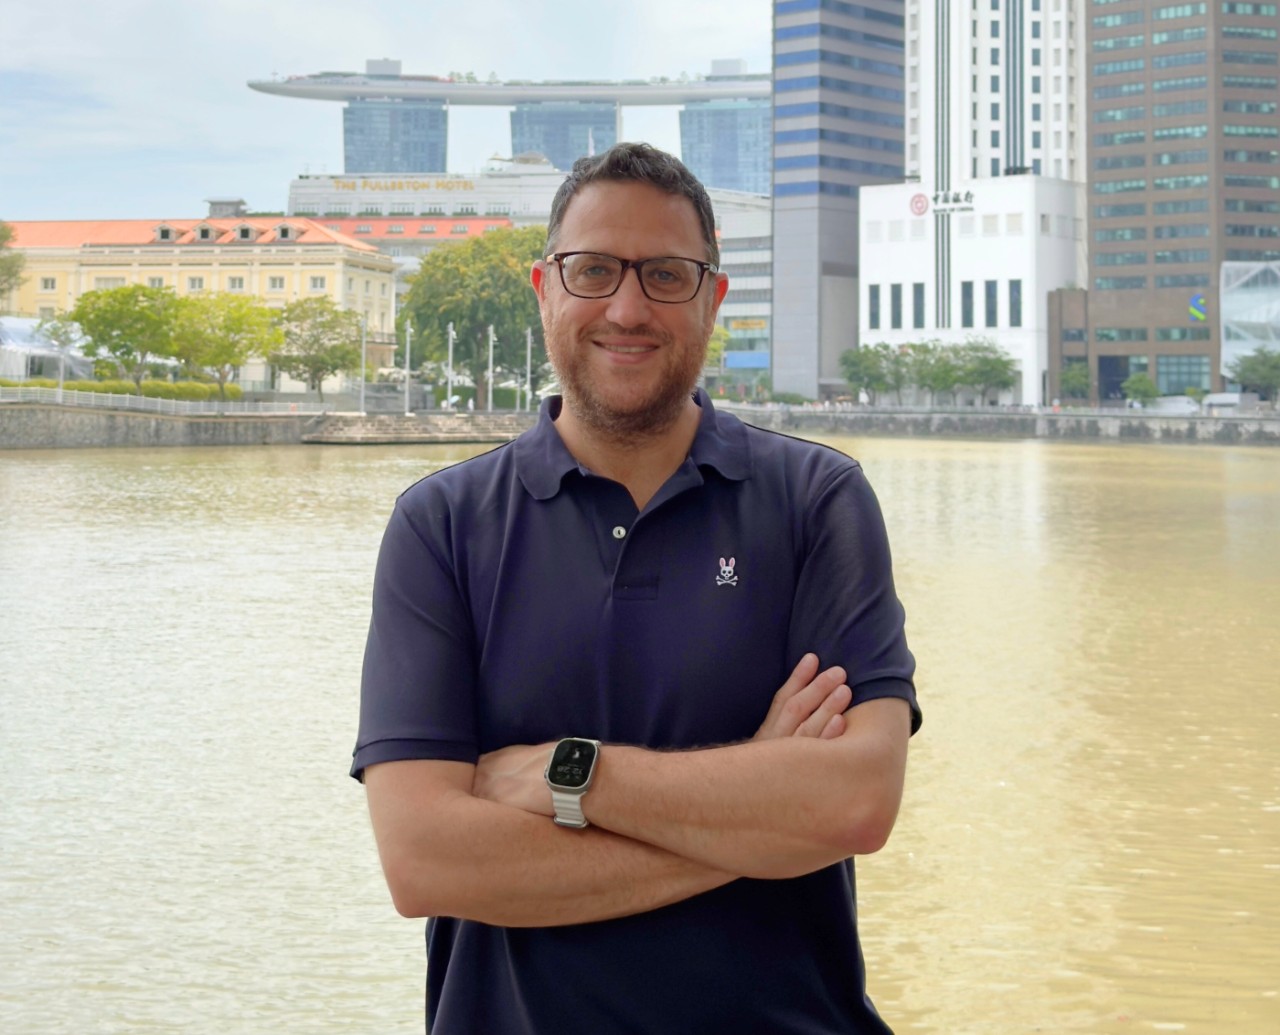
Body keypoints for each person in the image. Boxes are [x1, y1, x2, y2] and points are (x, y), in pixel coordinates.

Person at [353, 142, 921, 1034]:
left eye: (665, 274)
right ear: (544, 288)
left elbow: (853, 802)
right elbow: (425, 862)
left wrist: (566, 775)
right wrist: (760, 819)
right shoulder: (443, 526)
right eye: (593, 271)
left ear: (712, 299)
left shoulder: (816, 502)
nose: (627, 306)